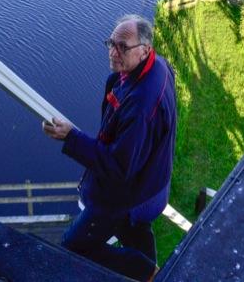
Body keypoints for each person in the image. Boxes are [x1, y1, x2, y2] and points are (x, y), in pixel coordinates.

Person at [42, 14, 177, 282]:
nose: (113, 52)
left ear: (144, 51)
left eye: (122, 47)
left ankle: (145, 271)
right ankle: (154, 273)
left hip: (129, 195)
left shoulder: (141, 105)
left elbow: (118, 167)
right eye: (111, 43)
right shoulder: (159, 67)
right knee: (135, 233)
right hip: (152, 186)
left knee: (74, 248)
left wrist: (71, 138)